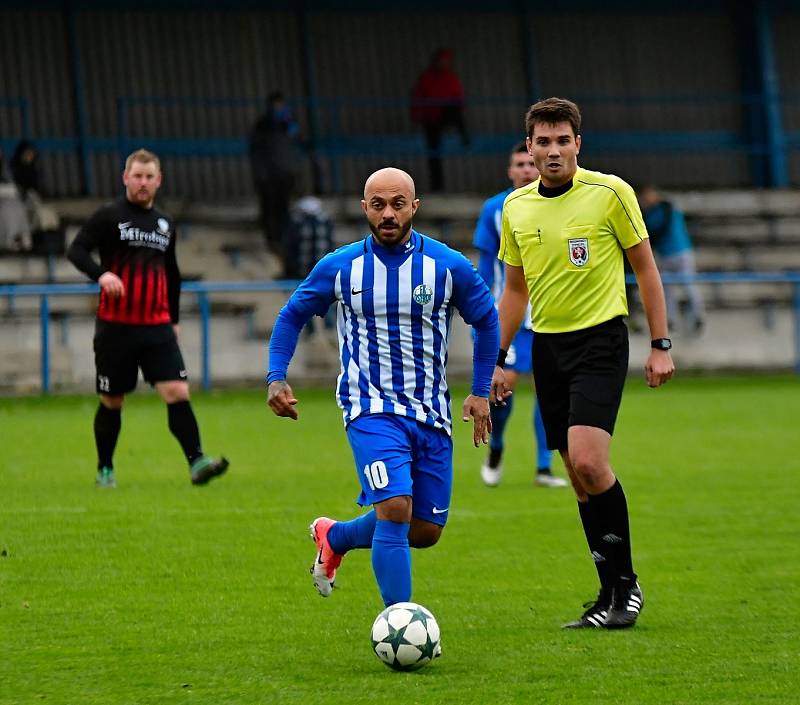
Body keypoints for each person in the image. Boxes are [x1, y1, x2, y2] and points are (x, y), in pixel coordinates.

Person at [267, 167, 499, 608]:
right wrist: (276, 376)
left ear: (415, 207)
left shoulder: (448, 267)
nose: (388, 213)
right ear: (364, 209)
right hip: (369, 409)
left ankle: (334, 535)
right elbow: (291, 315)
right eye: (378, 205)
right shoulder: (340, 266)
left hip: (430, 411)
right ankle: (400, 621)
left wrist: (480, 389)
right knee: (394, 509)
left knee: (425, 531)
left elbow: (487, 321)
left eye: (397, 204)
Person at [492, 98, 674, 630]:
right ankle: (606, 591)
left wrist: (660, 344)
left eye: (562, 140)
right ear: (529, 147)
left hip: (600, 340)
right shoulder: (516, 207)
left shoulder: (611, 193)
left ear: (578, 144)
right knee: (576, 476)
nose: (552, 151)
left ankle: (626, 586)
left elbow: (645, 268)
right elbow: (514, 290)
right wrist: (498, 360)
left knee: (591, 462)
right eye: (542, 142)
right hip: (546, 347)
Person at [66, 148, 228, 488]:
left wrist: (173, 318)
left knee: (177, 391)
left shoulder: (165, 223)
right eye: (137, 176)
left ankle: (197, 461)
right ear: (126, 178)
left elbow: (171, 272)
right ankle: (105, 468)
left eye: (149, 177)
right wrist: (101, 275)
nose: (143, 183)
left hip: (156, 326)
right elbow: (76, 249)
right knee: (113, 400)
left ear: (158, 181)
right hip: (116, 327)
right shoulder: (109, 215)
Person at [473, 142, 566, 489]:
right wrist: (482, 313)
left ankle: (544, 467)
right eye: (520, 164)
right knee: (504, 385)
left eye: (531, 163)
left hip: (546, 313)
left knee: (548, 390)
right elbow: (486, 266)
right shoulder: (495, 209)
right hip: (507, 313)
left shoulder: (558, 203)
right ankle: (496, 447)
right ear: (510, 170)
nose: (527, 169)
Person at [639, 185, 705, 334]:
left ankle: (697, 316)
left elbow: (654, 231)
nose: (645, 200)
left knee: (688, 284)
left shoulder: (665, 209)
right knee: (666, 289)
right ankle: (671, 320)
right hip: (668, 255)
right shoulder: (660, 212)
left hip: (679, 253)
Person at [249, 91, 301, 255]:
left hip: (285, 174)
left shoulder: (288, 123)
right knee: (269, 208)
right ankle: (271, 241)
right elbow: (256, 152)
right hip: (268, 176)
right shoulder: (262, 125)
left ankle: (283, 241)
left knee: (284, 208)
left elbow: (297, 144)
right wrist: (260, 175)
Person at [410, 48, 469, 192]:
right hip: (431, 119)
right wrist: (417, 117)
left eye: (446, 61)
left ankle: (464, 136)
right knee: (434, 153)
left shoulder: (451, 78)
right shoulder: (427, 78)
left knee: (455, 112)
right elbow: (418, 98)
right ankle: (437, 187)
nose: (443, 64)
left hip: (445, 115)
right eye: (441, 61)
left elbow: (458, 99)